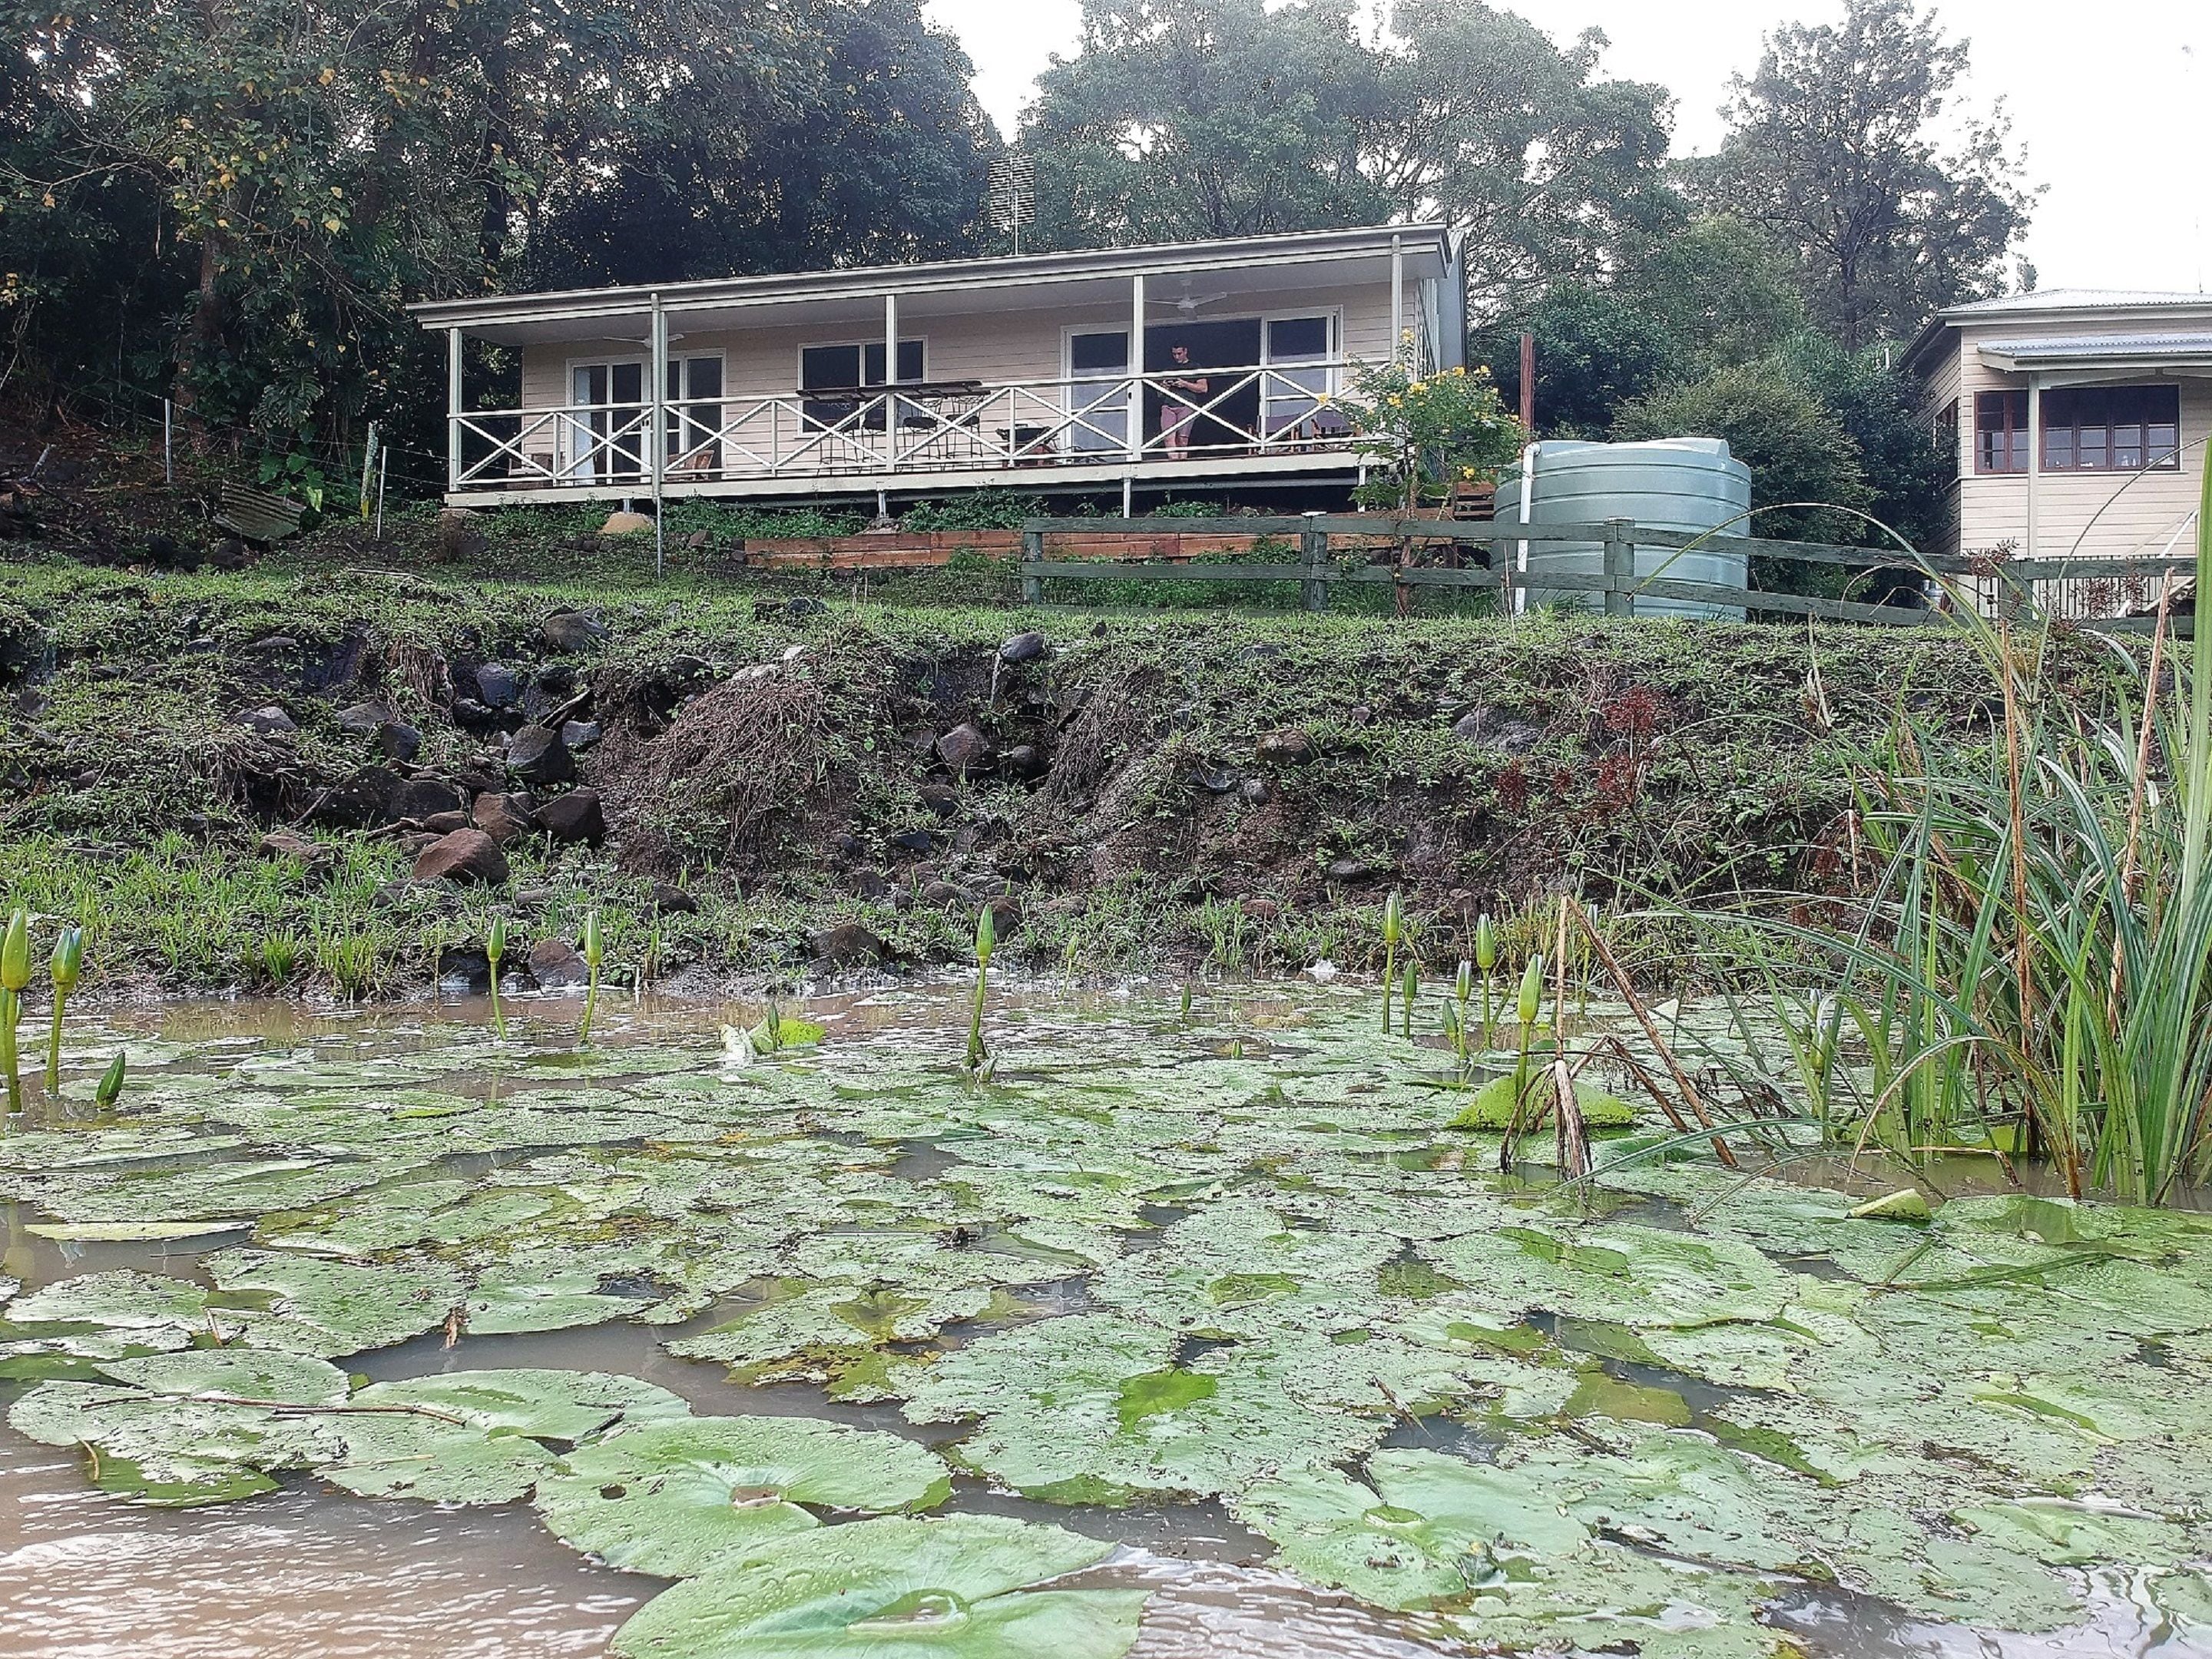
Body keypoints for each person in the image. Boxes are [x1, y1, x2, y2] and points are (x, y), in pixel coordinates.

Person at [1159, 344, 1210, 459]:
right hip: (1168, 405)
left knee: (1182, 439)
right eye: (1174, 354)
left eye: (1179, 354)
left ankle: (1182, 463)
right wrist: (1164, 386)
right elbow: (1159, 394)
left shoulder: (1195, 366)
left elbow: (1203, 388)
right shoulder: (1169, 369)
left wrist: (1185, 384)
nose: (1176, 357)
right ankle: (1174, 463)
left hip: (1186, 405)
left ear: (1185, 351)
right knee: (1168, 438)